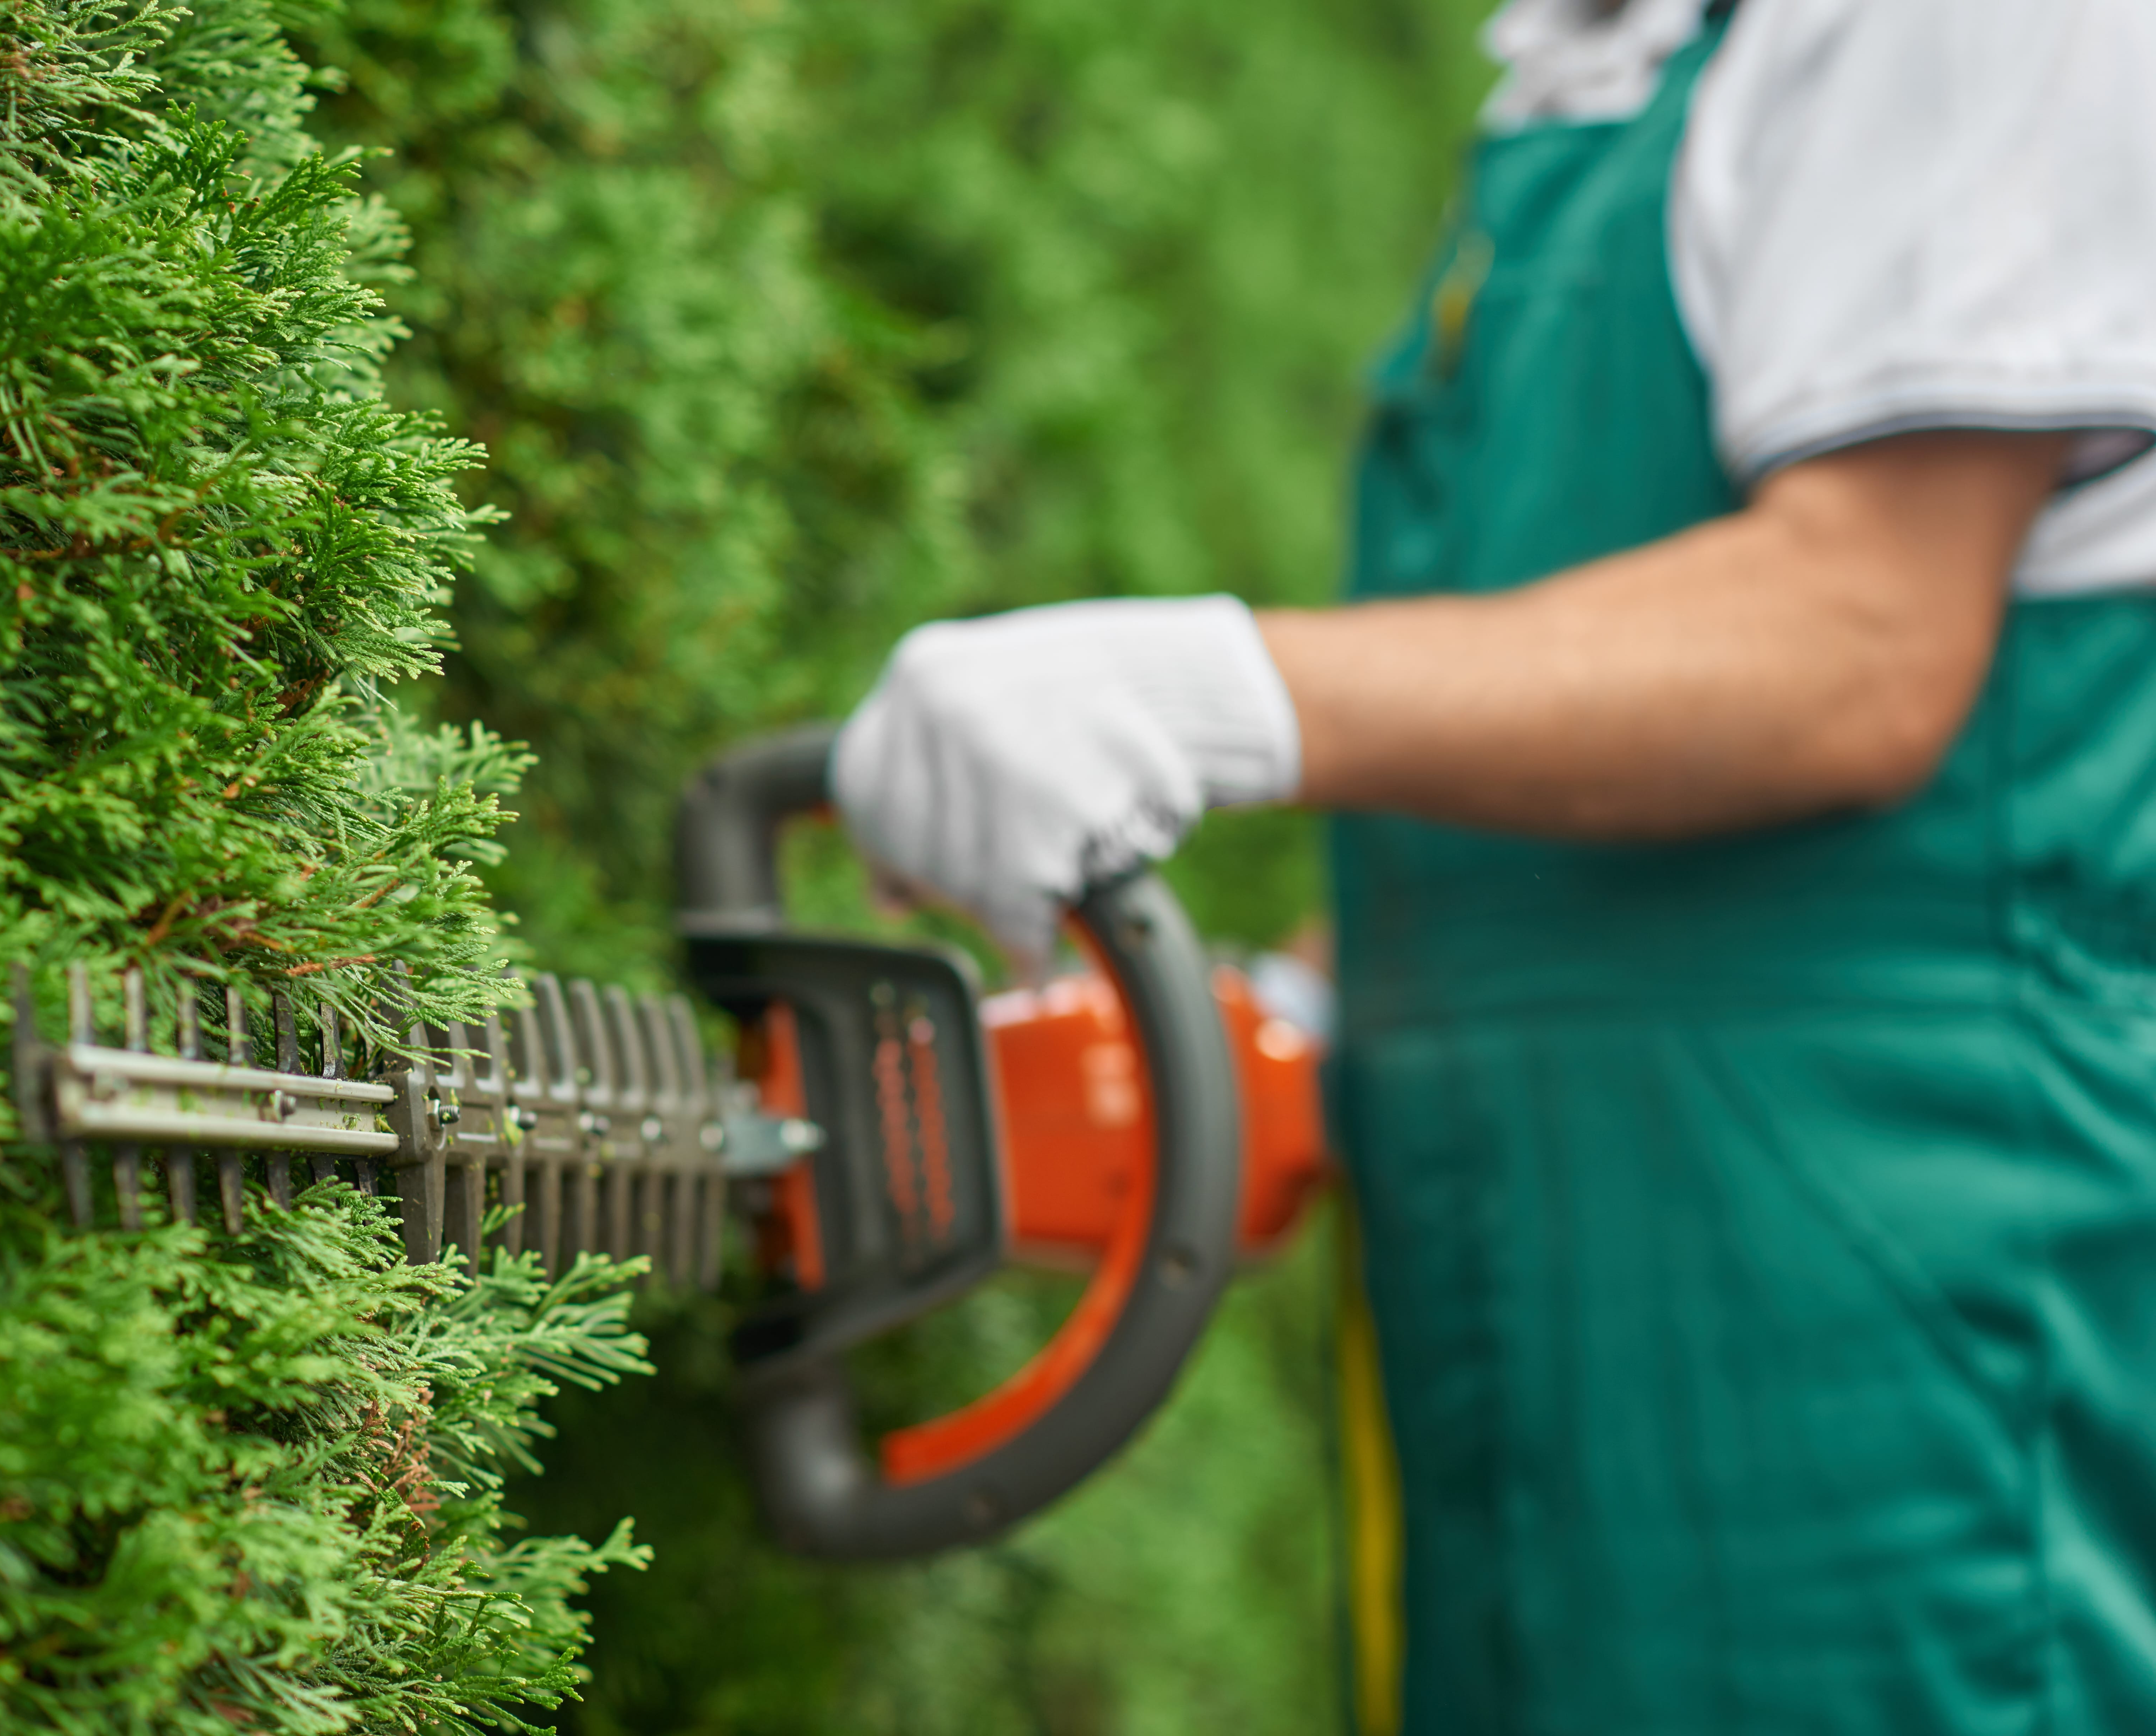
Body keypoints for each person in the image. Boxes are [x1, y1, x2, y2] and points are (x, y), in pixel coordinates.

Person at [827, 0, 2156, 1728]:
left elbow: (1867, 633)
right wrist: (1294, 1014)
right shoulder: (1606, 80)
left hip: (1876, 1304)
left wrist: (1214, 688)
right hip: (1523, 1309)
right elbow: (1566, 721)